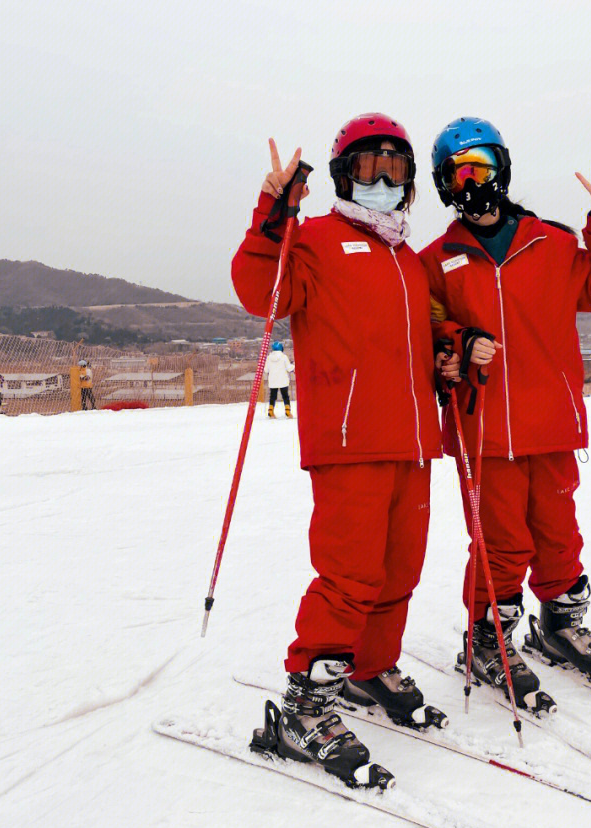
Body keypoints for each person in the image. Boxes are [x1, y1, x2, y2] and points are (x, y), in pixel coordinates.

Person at [231, 114, 446, 788]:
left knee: (398, 570)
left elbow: (419, 337)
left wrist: (453, 351)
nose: (384, 182)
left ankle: (369, 669)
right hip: (351, 440)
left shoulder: (408, 258)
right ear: (342, 174)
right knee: (350, 575)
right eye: (368, 168)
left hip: (413, 443)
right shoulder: (315, 240)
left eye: (397, 169)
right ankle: (304, 706)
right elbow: (259, 290)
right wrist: (274, 212)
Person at [422, 117, 591, 713]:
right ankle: (486, 641)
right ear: (444, 184)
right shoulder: (436, 260)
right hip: (485, 426)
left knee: (558, 533)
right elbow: (427, 326)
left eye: (481, 168)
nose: (472, 183)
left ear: (503, 169)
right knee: (500, 542)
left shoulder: (552, 242)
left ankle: (559, 625)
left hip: (551, 420)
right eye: (458, 173)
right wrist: (458, 341)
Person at [264, 340, 295, 418]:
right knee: (285, 396)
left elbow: (266, 370)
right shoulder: (284, 357)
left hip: (272, 380)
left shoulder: (269, 357)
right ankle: (288, 411)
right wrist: (294, 365)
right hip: (283, 380)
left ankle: (270, 411)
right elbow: (289, 368)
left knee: (272, 396)